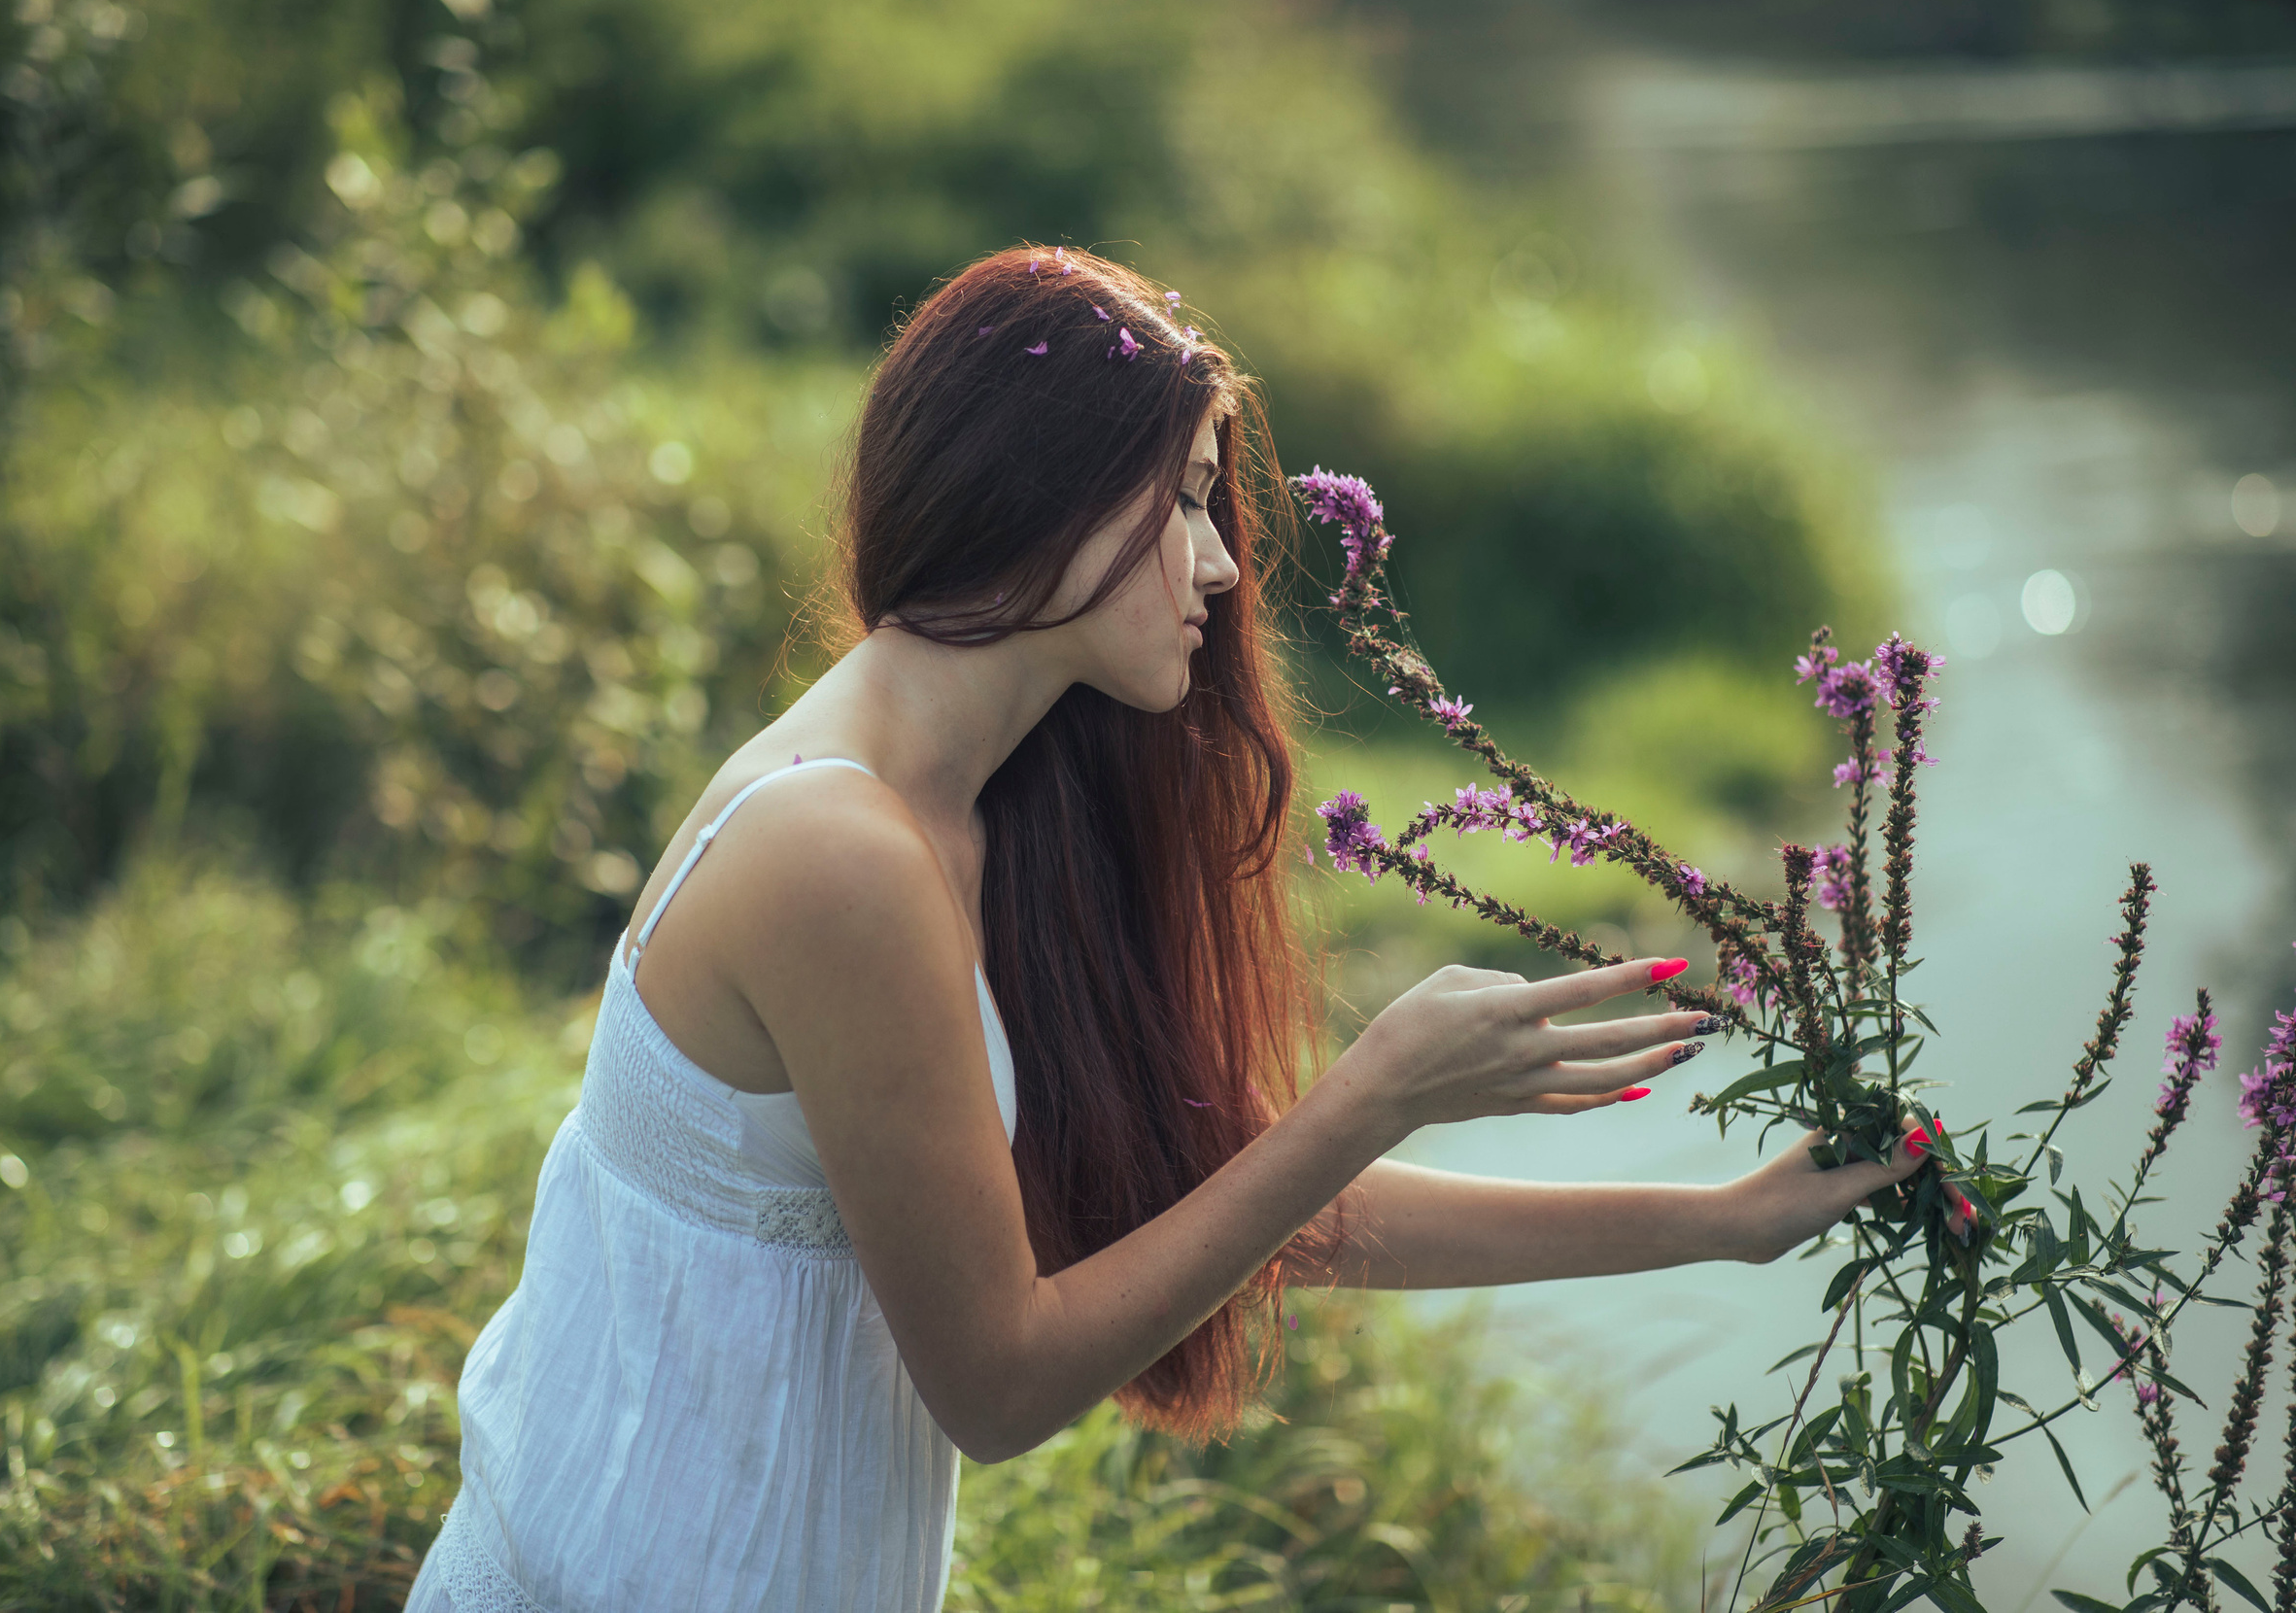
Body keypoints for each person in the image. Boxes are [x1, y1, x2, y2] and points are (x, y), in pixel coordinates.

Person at [405, 245, 1938, 1613]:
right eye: (1189, 497)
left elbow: (1225, 1204)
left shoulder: (979, 812)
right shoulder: (836, 850)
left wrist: (1720, 1222)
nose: (1218, 561)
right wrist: (1369, 1093)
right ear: (1045, 489)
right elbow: (998, 1387)